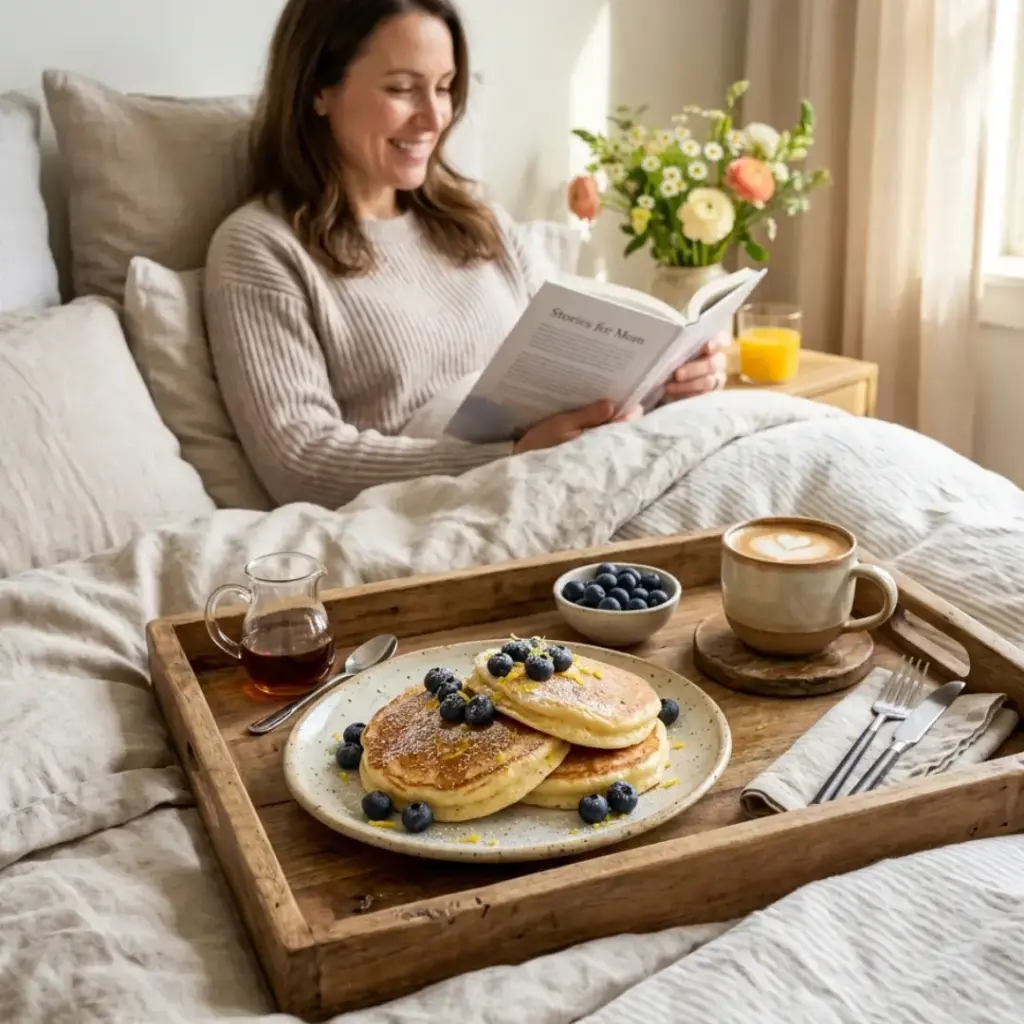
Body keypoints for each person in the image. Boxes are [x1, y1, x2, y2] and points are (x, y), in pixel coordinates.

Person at [204, 0, 726, 509]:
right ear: (319, 88)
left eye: (445, 88)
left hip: (584, 472)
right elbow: (302, 462)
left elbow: (585, 382)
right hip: (454, 510)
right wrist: (509, 457)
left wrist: (668, 385)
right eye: (402, 89)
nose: (434, 117)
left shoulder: (482, 223)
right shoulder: (262, 248)